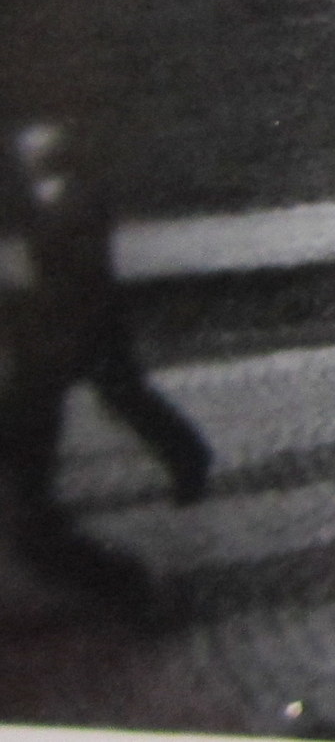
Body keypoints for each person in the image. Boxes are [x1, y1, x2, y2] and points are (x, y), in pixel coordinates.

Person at [1, 118, 212, 617]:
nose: (26, 159)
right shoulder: (42, 199)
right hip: (59, 331)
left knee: (124, 396)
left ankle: (189, 459)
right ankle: (183, 459)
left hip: (89, 327)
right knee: (94, 400)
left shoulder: (80, 200)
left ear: (53, 155)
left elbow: (78, 272)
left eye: (35, 152)